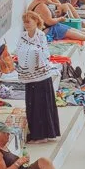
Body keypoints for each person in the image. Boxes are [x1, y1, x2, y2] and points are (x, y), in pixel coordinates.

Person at [16, 10, 62, 142]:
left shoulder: (40, 35)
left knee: (42, 104)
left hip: (41, 76)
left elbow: (43, 53)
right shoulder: (23, 36)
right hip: (28, 76)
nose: (26, 25)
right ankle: (36, 132)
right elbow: (20, 50)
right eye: (25, 22)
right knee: (32, 105)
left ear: (36, 22)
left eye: (29, 22)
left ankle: (44, 134)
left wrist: (31, 54)